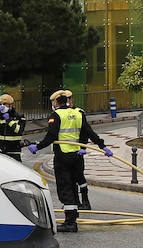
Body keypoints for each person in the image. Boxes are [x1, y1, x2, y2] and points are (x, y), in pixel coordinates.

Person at [28, 89, 111, 233]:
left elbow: (51, 136)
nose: (53, 104)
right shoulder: (78, 113)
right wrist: (103, 146)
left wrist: (37, 147)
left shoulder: (57, 115)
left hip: (63, 157)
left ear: (56, 102)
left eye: (53, 102)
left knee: (65, 187)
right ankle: (74, 213)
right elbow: (89, 132)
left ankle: (70, 222)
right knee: (73, 185)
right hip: (77, 156)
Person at [0, 93, 26, 161]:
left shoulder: (19, 116)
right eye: (1, 104)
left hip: (13, 151)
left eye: (5, 104)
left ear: (11, 105)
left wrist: (8, 120)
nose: (3, 106)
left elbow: (19, 130)